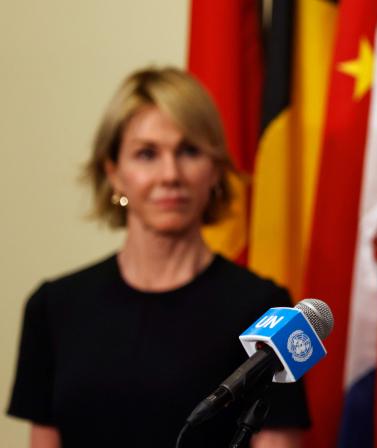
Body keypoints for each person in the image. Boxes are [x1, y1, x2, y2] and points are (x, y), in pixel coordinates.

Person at [7, 67, 310, 448]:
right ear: (114, 172)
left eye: (189, 151)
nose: (170, 174)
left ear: (215, 170)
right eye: (147, 154)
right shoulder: (53, 307)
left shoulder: (266, 312)